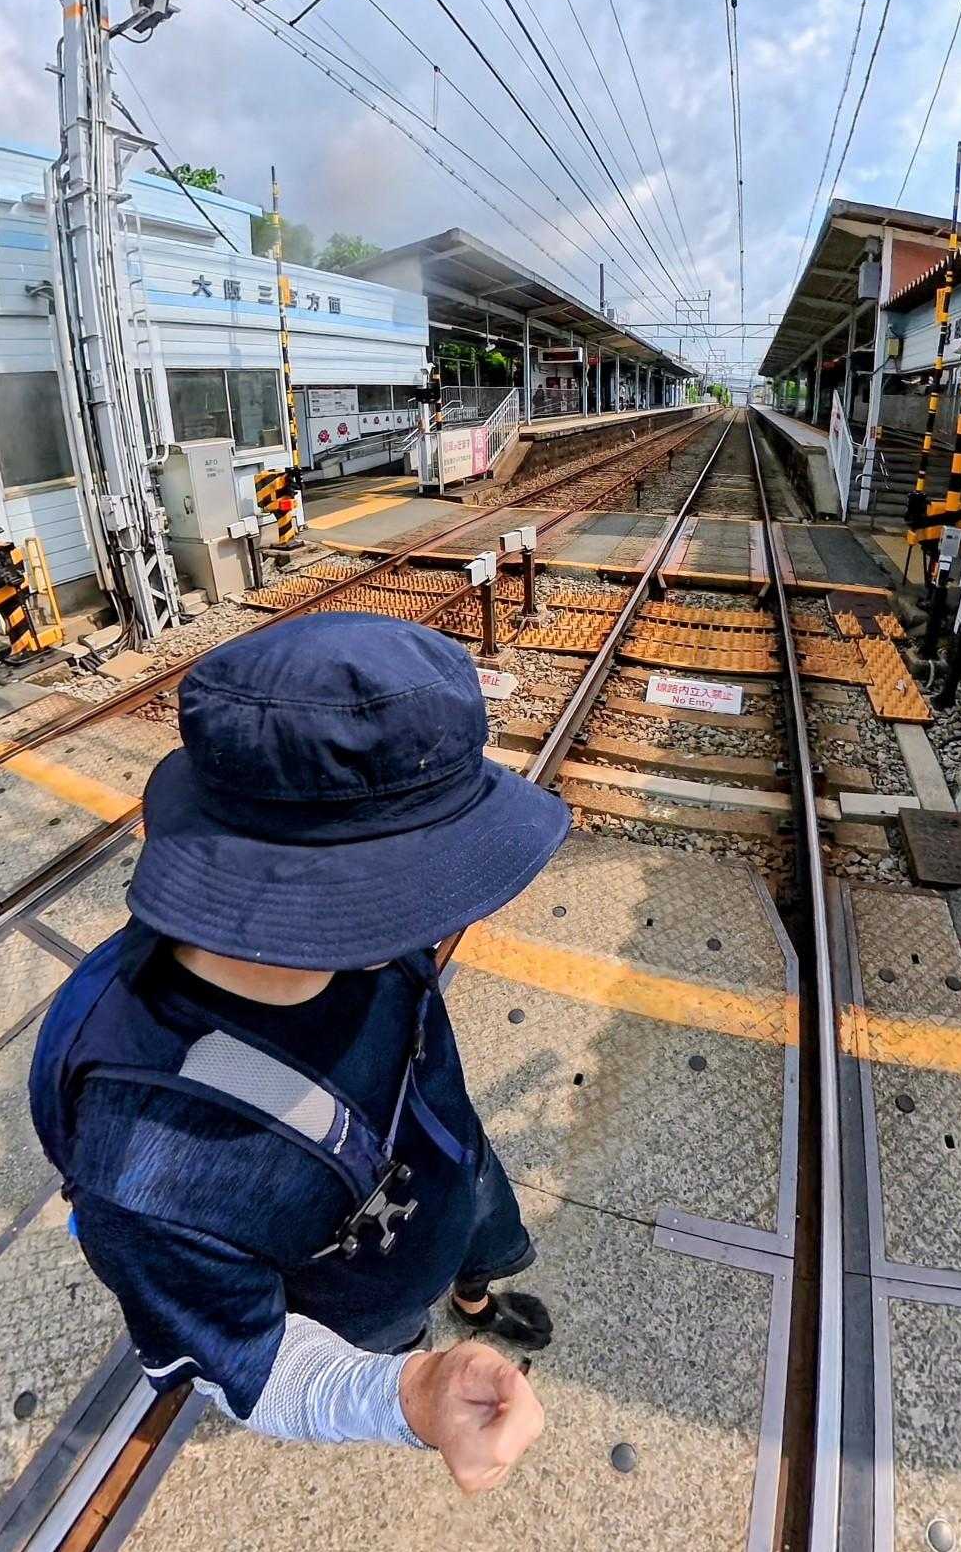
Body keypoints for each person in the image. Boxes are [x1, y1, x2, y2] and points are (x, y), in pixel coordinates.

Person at [29, 615, 571, 1491]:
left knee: (473, 1244)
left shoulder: (365, 943)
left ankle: (474, 1295)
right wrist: (411, 1391)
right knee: (404, 1334)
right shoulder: (144, 1164)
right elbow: (251, 1360)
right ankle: (429, 1329)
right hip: (364, 1291)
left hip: (447, 1161)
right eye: (433, 865)